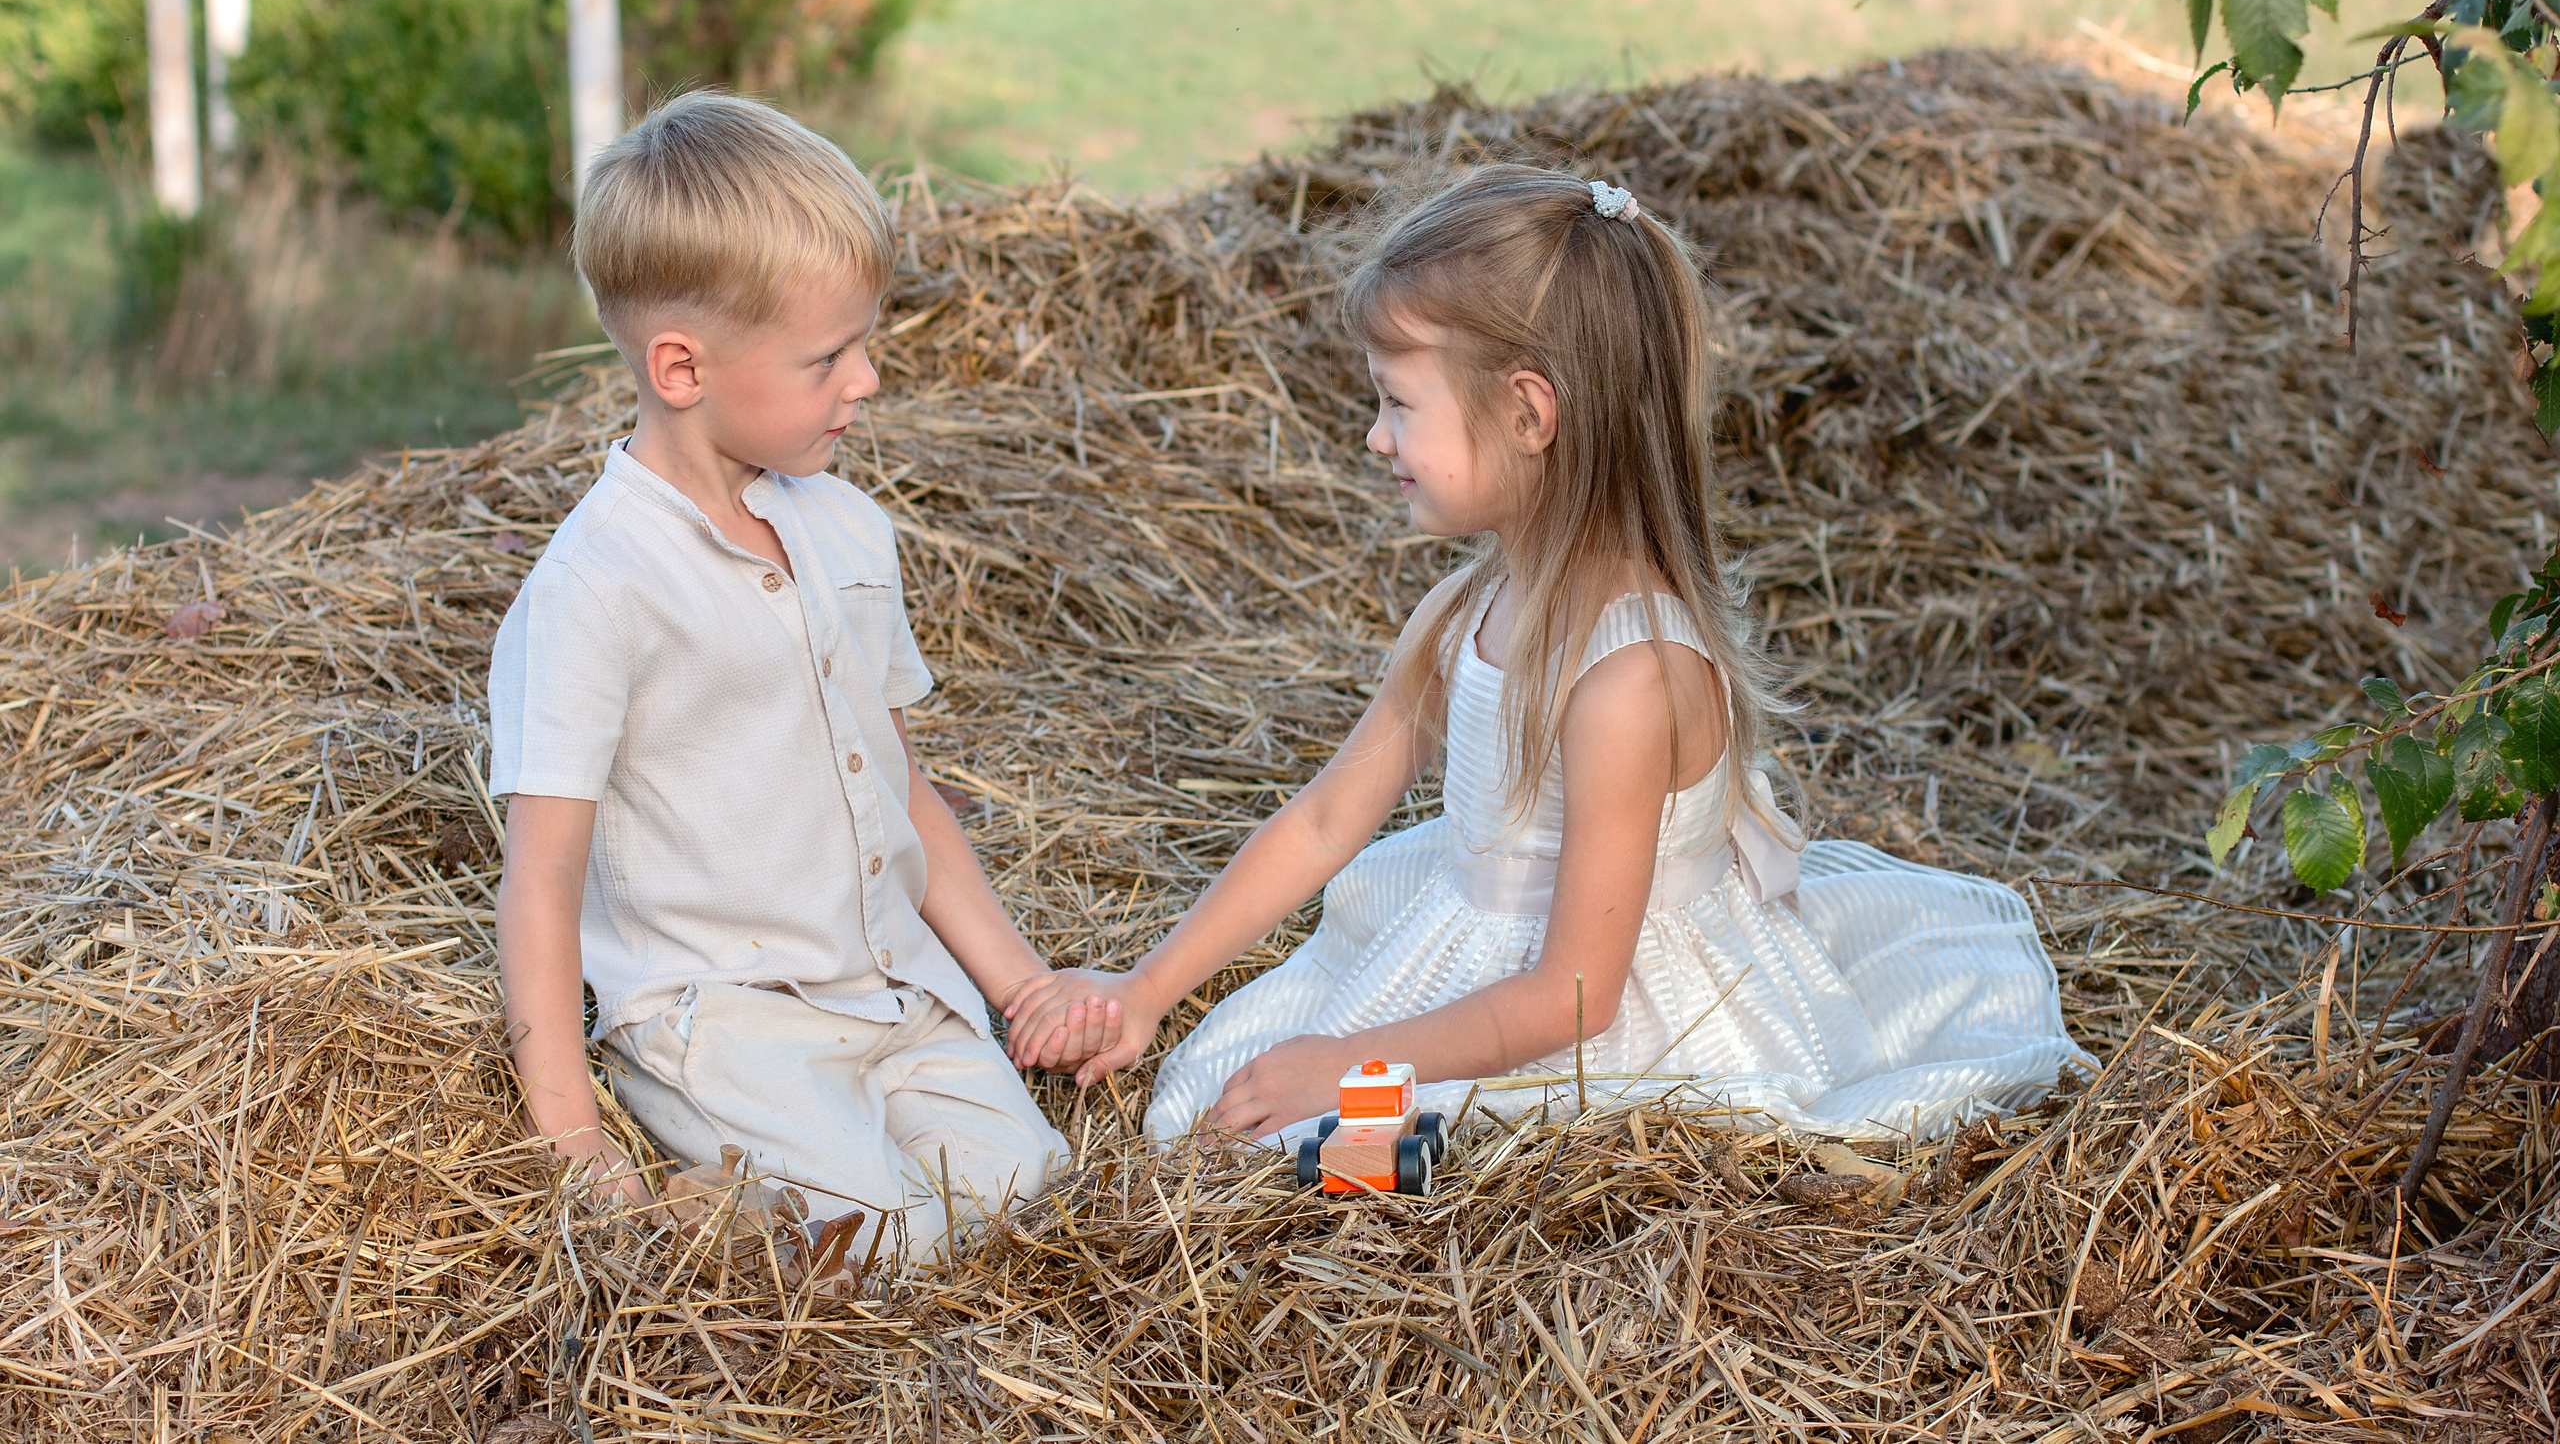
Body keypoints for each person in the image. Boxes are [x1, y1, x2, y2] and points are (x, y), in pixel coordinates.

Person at [1004, 164, 2093, 1145]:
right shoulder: (1463, 610)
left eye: (1397, 403)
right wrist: (1148, 988)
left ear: (1528, 413)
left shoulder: (1627, 680)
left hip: (1602, 1027)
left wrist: (1347, 1061)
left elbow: (1576, 996)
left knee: (1349, 1145)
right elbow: (1328, 819)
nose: (1375, 438)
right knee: (1243, 1117)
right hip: (1484, 963)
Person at [489, 92, 1113, 1260]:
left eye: (862, 344)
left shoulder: (847, 530)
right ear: (682, 367)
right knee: (875, 1252)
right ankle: (711, 1218)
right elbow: (542, 874)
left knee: (1036, 1206)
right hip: (725, 1019)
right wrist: (569, 1133)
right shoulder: (596, 588)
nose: (866, 379)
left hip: (892, 990)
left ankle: (842, 1166)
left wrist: (1018, 983)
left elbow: (901, 789)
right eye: (828, 356)